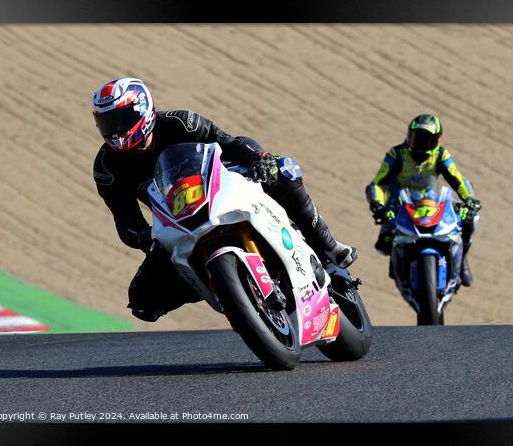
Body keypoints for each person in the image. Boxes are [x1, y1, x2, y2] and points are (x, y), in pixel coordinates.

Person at [91, 77, 357, 322]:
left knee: (282, 171)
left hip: (221, 185)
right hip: (177, 219)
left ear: (142, 110)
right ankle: (230, 291)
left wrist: (259, 159)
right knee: (142, 300)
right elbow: (124, 218)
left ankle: (328, 245)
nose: (115, 130)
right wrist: (142, 237)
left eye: (121, 118)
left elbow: (228, 142)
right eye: (107, 123)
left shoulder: (180, 122)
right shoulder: (106, 168)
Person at [365, 114, 481, 286]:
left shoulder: (441, 155)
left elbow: (458, 180)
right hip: (398, 203)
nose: (419, 144)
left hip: (428, 201)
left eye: (426, 140)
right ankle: (397, 259)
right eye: (415, 138)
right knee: (384, 243)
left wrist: (470, 200)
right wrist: (377, 204)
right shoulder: (396, 154)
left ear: (438, 140)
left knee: (467, 219)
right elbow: (378, 183)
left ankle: (462, 256)